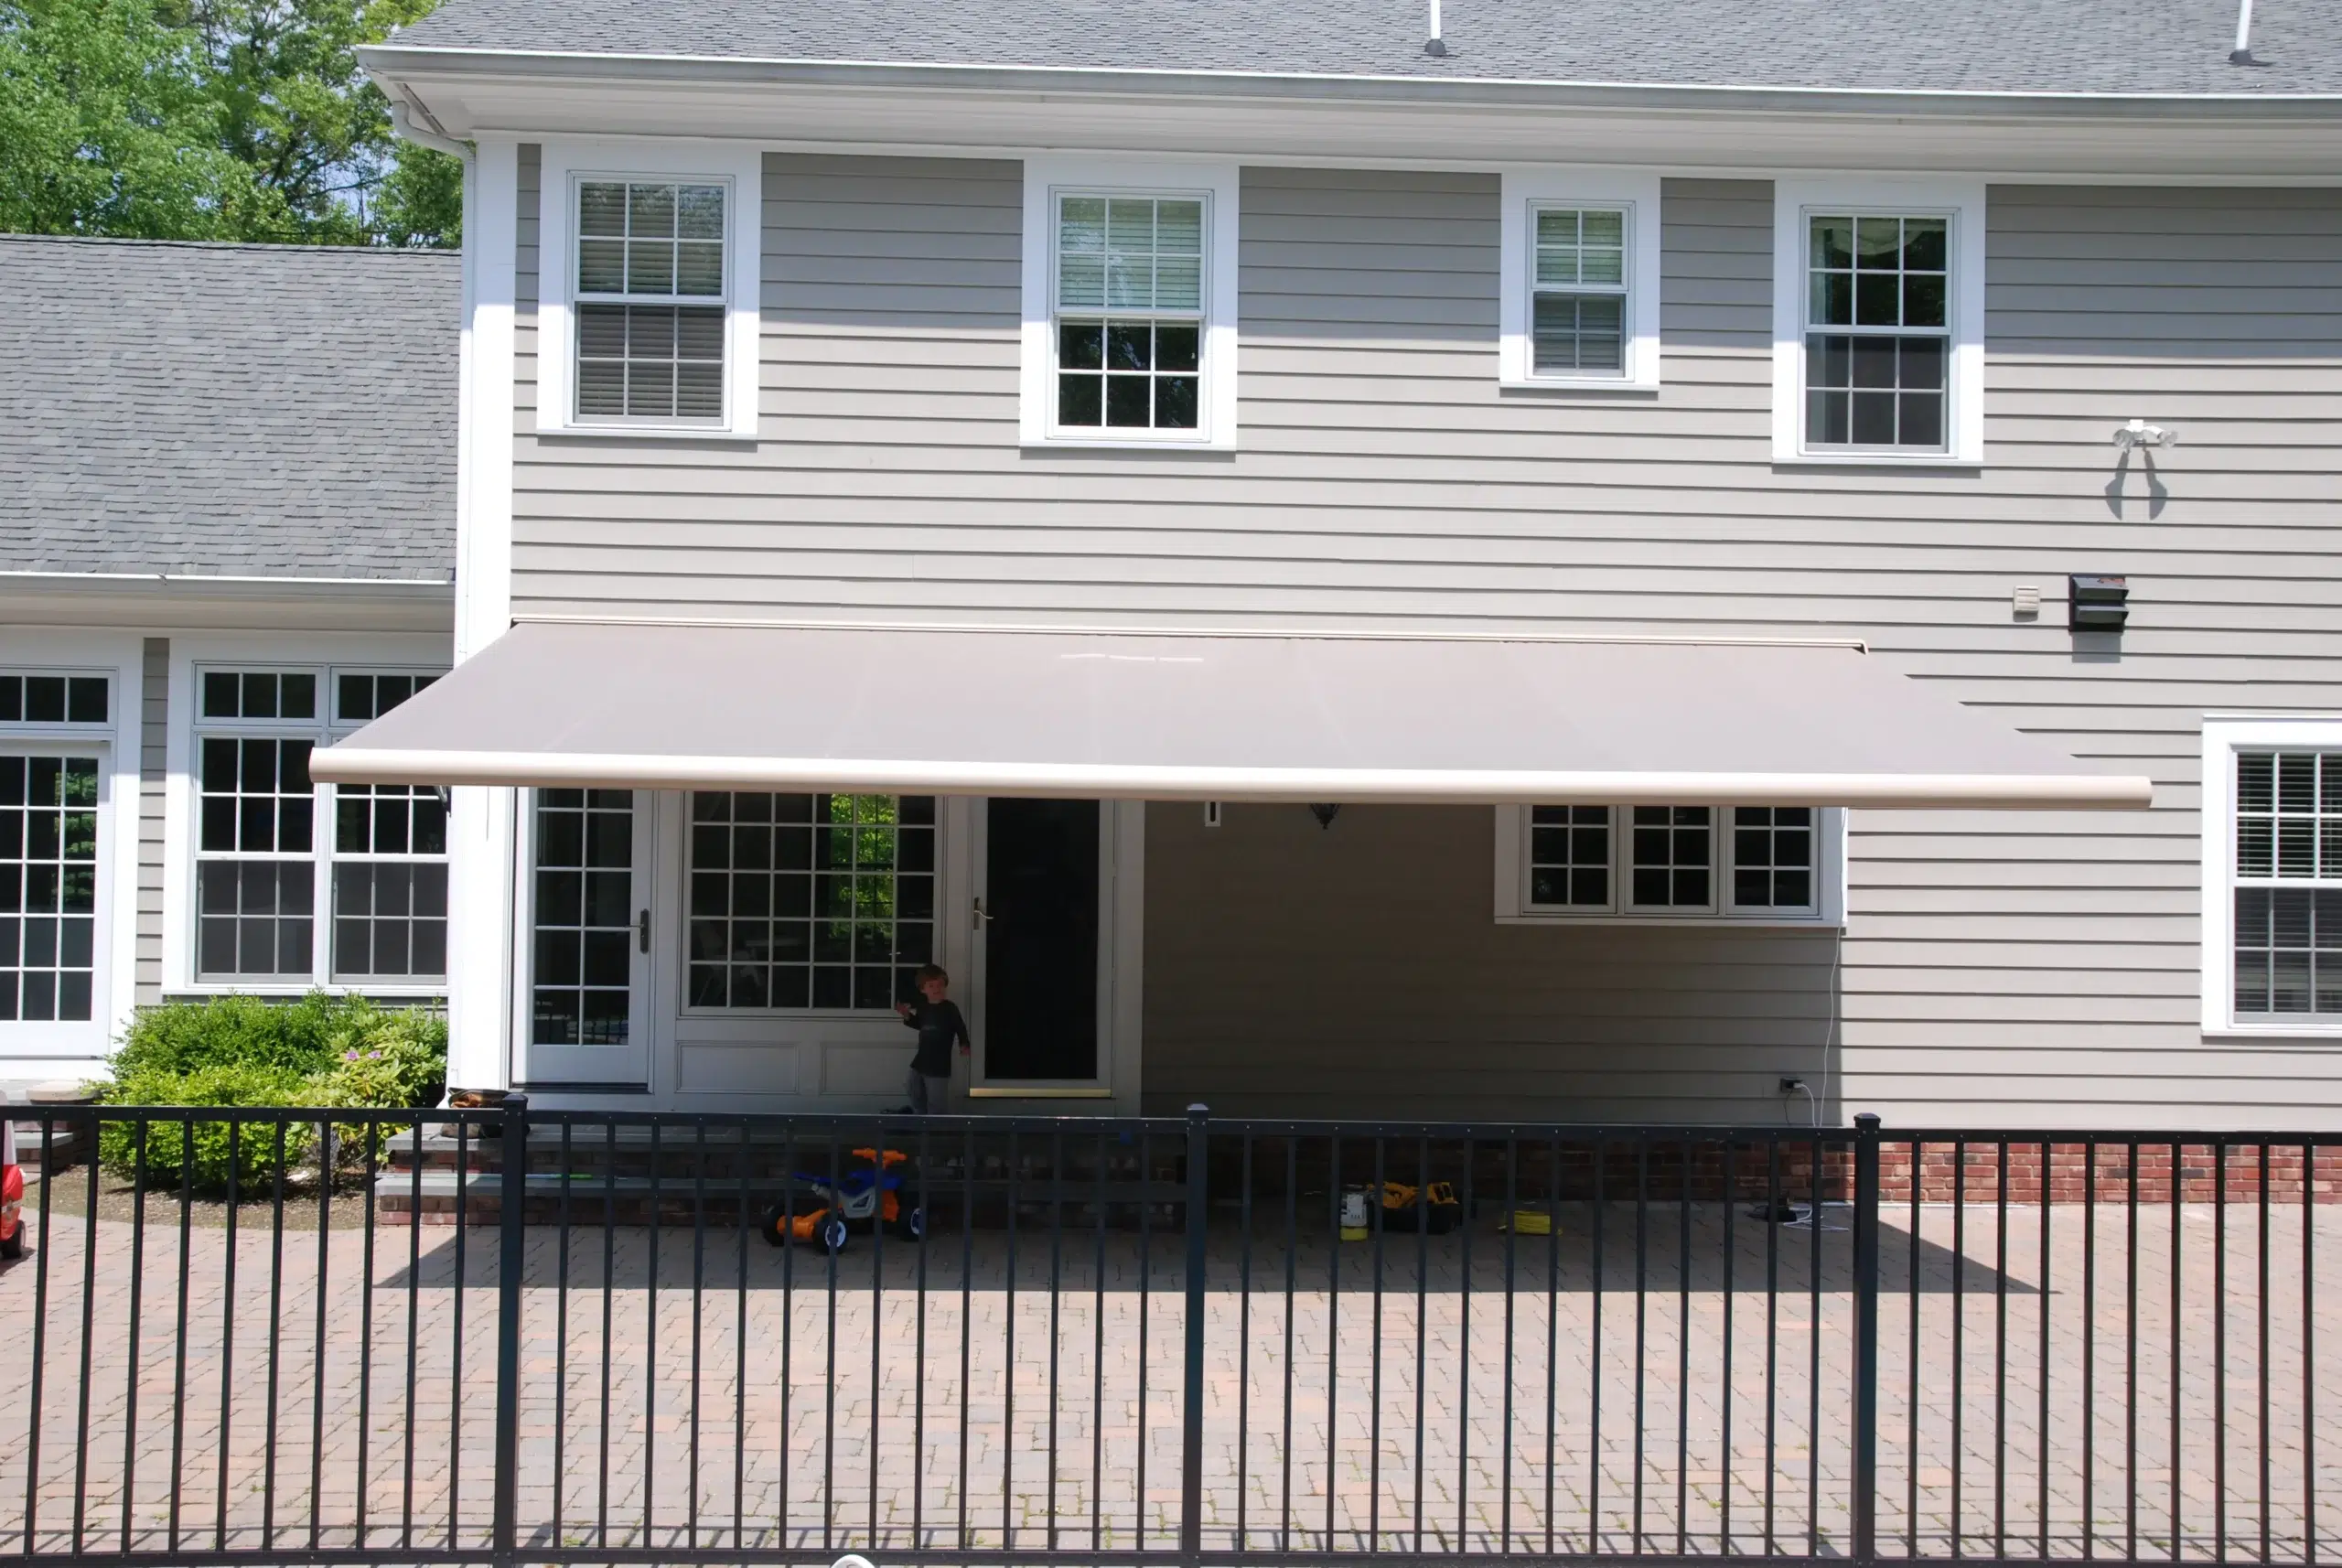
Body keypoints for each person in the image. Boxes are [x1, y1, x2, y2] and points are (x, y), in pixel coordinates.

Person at [894, 963, 971, 1113]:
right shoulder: (923, 1007)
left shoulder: (950, 1008)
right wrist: (907, 1015)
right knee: (911, 1086)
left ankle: (937, 1128)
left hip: (939, 1064)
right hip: (921, 1059)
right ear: (923, 989)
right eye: (931, 986)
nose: (937, 989)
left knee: (937, 1101)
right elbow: (920, 1024)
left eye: (940, 985)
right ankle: (922, 1117)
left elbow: (960, 1027)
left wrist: (964, 1044)